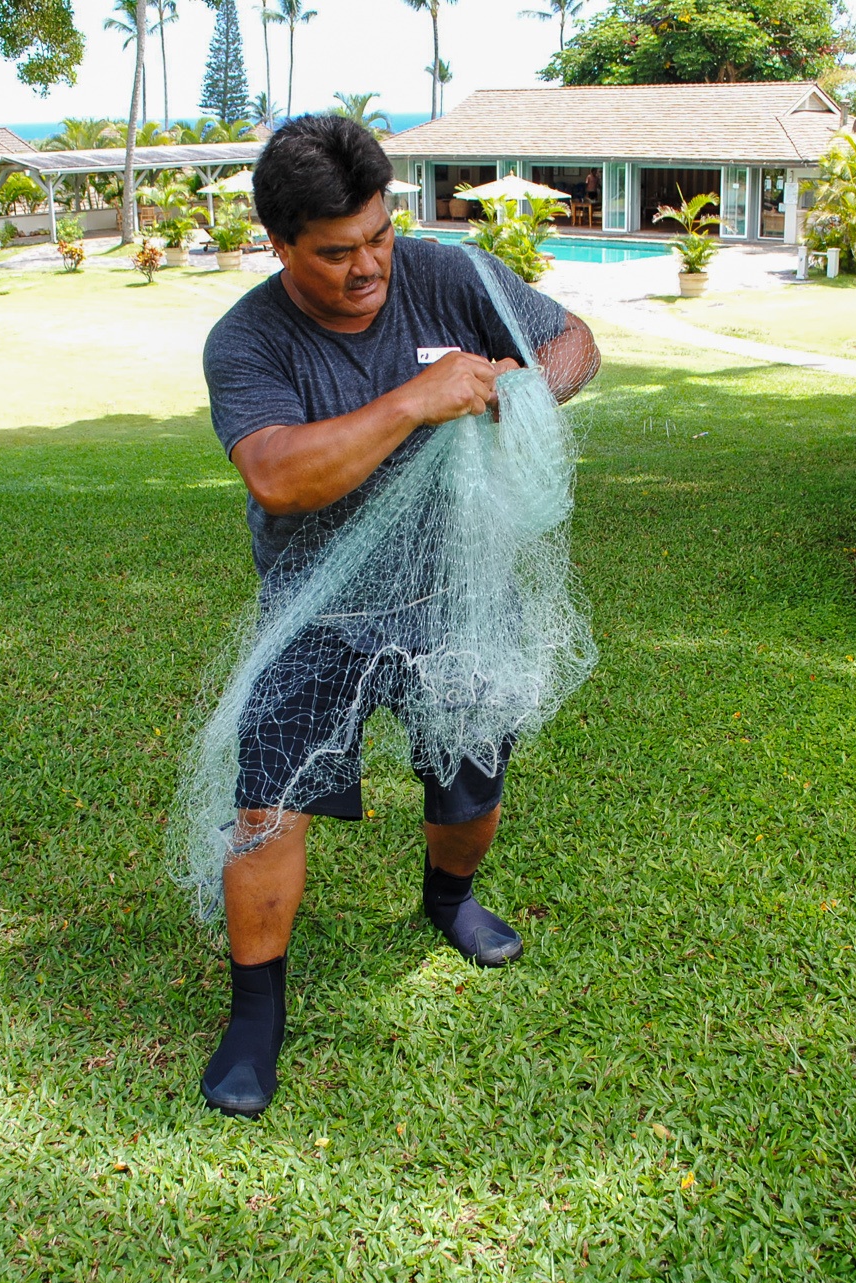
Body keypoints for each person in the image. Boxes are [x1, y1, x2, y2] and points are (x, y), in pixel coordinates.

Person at [197, 116, 600, 1116]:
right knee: (266, 805)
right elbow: (278, 476)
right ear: (279, 244)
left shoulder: (445, 273)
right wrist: (417, 399)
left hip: (456, 595)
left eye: (377, 236)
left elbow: (573, 344)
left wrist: (522, 392)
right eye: (335, 252)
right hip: (316, 610)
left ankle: (447, 899)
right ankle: (256, 1015)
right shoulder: (245, 339)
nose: (367, 266)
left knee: (468, 790)